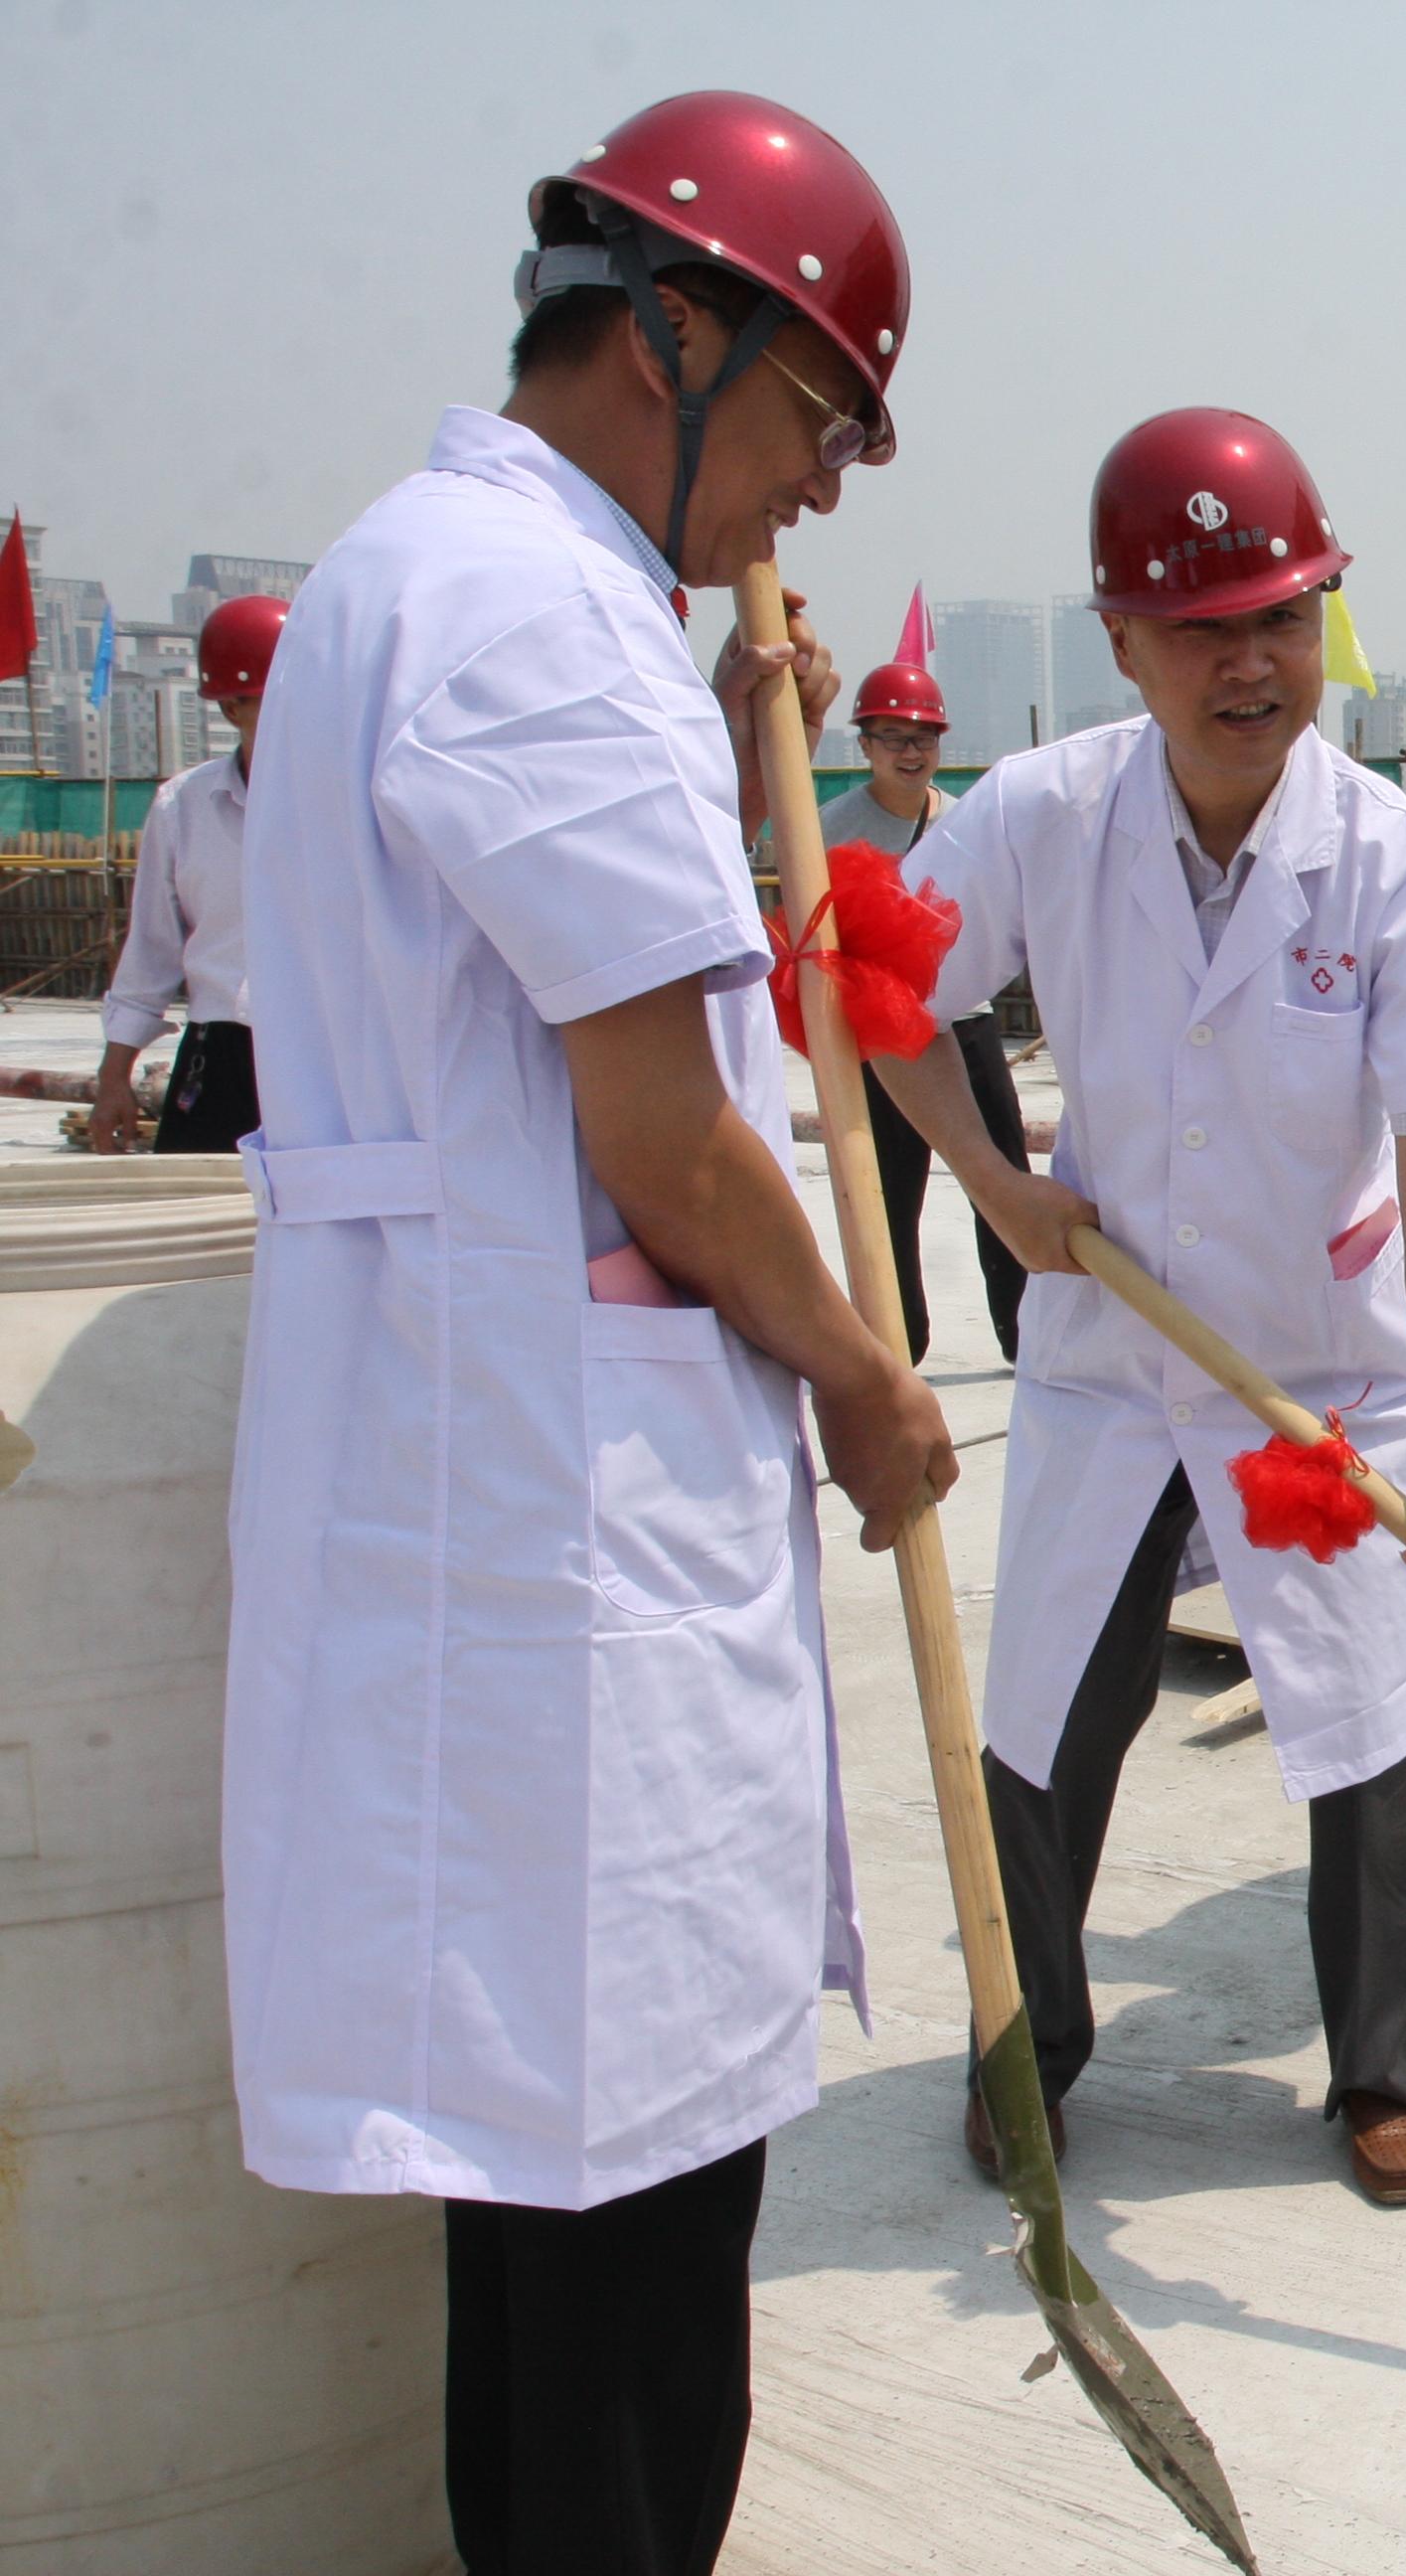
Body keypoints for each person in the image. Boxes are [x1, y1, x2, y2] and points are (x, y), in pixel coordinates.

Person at [224, 95, 946, 2573]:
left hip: (498, 1509)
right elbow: (664, 1129)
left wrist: (749, 722)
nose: (818, 495)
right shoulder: (534, 618)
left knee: (551, 2295)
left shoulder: (429, 583)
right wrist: (868, 1376)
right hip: (550, 1568)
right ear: (670, 340)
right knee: (625, 2313)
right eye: (813, 424)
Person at [871, 409, 1406, 2212]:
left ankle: (1379, 2072)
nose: (1253, 665)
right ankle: (1034, 2044)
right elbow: (876, 992)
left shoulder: (1396, 866)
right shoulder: (1038, 815)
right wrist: (996, 1186)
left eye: (1286, 619)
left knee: (1373, 1716)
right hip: (1107, 1355)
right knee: (1043, 1720)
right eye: (1205, 627)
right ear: (1125, 643)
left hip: (1314, 1372)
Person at [804, 652, 1031, 1364]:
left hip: (965, 1025)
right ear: (864, 745)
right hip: (882, 1041)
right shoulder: (830, 830)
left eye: (924, 738)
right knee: (891, 1195)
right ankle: (899, 1344)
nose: (911, 752)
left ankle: (1026, 1338)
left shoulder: (965, 824)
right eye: (894, 737)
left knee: (1004, 1182)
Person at [91, 590, 282, 1157]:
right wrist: (112, 1078)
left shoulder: (354, 802)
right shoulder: (185, 807)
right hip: (220, 1055)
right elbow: (150, 952)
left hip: (335, 1053)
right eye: (273, 702)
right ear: (231, 708)